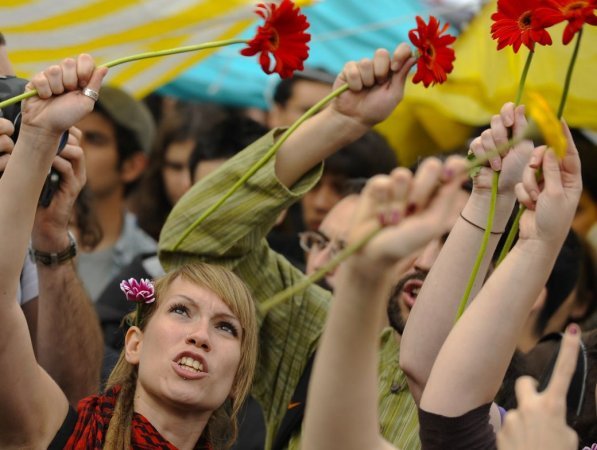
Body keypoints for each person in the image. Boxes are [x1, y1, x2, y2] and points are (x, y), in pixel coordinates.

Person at [160, 44, 423, 450]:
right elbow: (192, 244)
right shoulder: (315, 331)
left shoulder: (507, 395)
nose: (321, 265)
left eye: (354, 251)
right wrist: (339, 121)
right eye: (319, 243)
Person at [0, 55, 259, 450]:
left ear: (238, 378)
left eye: (226, 327)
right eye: (180, 310)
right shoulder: (58, 431)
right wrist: (38, 136)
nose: (200, 336)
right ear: (134, 343)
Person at [0, 32, 103, 404]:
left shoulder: (22, 229)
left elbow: (74, 401)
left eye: (9, 96)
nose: (11, 118)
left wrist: (50, 237)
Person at [75, 84, 157, 300]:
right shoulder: (21, 238)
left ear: (132, 166)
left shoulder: (150, 266)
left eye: (94, 139)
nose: (73, 145)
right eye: (67, 132)